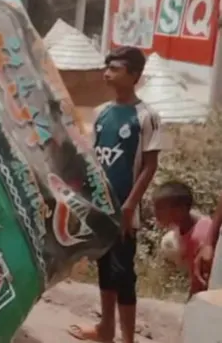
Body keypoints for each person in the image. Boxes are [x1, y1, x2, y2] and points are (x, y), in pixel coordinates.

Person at [70, 45, 161, 343]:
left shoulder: (146, 116)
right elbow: (93, 160)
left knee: (124, 276)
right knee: (105, 272)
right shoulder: (101, 113)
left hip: (125, 212)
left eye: (116, 68)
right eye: (106, 67)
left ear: (134, 75)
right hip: (102, 209)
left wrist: (129, 206)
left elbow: (149, 166)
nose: (107, 73)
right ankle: (105, 329)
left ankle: (128, 337)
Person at [152, 181, 213, 297]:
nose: (156, 213)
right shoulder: (183, 227)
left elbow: (201, 282)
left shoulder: (199, 236)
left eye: (160, 208)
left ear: (181, 210)